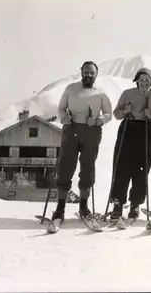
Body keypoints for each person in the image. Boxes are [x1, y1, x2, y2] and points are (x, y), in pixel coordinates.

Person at [50, 61, 113, 225]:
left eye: (92, 73)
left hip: (92, 131)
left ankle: (84, 207)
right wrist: (64, 118)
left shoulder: (100, 92)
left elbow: (109, 114)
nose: (88, 75)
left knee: (88, 166)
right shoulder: (71, 89)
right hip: (71, 129)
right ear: (81, 72)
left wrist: (99, 119)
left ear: (96, 74)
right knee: (66, 165)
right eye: (86, 72)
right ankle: (60, 208)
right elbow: (61, 108)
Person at [109, 68, 151, 220]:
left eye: (148, 80)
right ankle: (117, 204)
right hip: (128, 128)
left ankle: (135, 205)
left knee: (142, 168)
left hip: (145, 129)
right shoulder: (127, 93)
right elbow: (116, 114)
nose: (144, 82)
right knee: (122, 166)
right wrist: (124, 111)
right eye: (142, 79)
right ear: (137, 80)